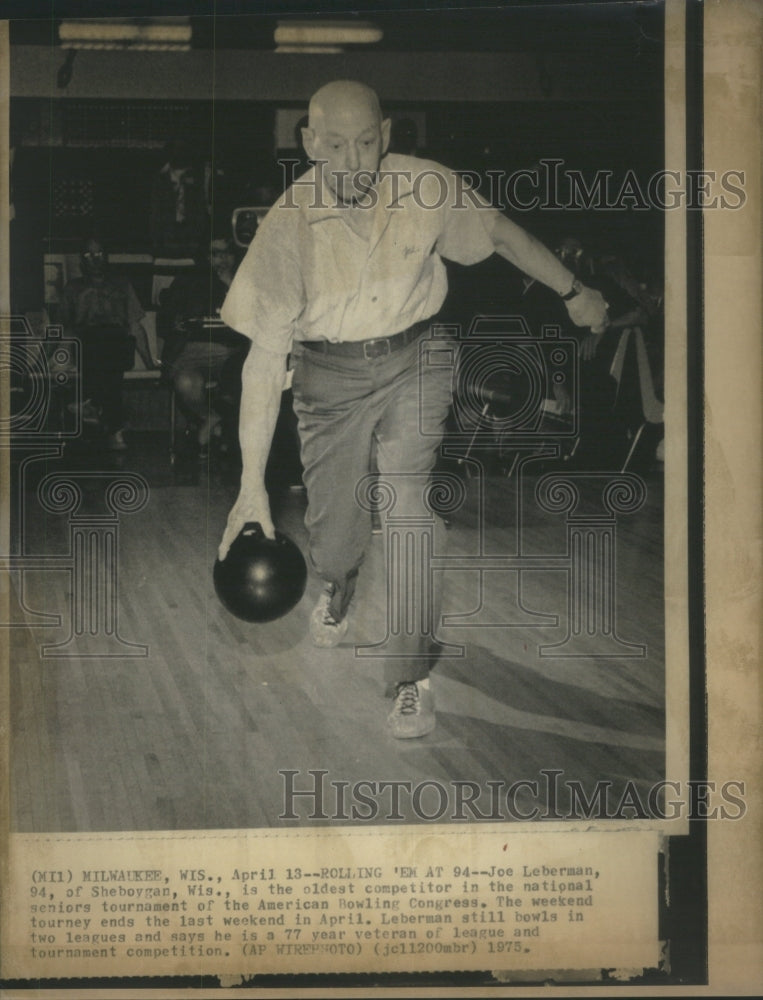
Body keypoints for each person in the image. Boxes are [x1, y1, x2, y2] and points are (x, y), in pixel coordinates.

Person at [219, 81, 608, 738]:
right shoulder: (286, 229)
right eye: (335, 145)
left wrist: (573, 290)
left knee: (408, 508)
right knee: (336, 537)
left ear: (387, 136)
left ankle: (410, 675)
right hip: (325, 375)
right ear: (309, 144)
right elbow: (262, 363)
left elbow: (500, 234)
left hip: (417, 358)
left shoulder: (426, 187)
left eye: (366, 143)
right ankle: (337, 588)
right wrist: (250, 486)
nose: (351, 160)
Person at [61, 236, 155, 450]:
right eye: (88, 254)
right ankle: (114, 426)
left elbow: (135, 327)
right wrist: (52, 359)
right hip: (87, 346)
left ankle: (90, 403)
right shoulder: (72, 288)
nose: (95, 259)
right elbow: (66, 330)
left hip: (118, 344)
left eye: (99, 253)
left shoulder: (122, 285)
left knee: (109, 345)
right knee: (101, 355)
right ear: (81, 260)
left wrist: (150, 362)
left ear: (107, 257)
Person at [158, 235, 247, 455]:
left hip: (235, 353)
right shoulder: (188, 281)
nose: (222, 260)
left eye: (227, 253)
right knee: (186, 383)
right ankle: (212, 418)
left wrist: (229, 284)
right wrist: (177, 322)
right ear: (205, 257)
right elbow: (166, 321)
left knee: (248, 374)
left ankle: (223, 429)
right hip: (194, 350)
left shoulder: (245, 281)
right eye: (215, 254)